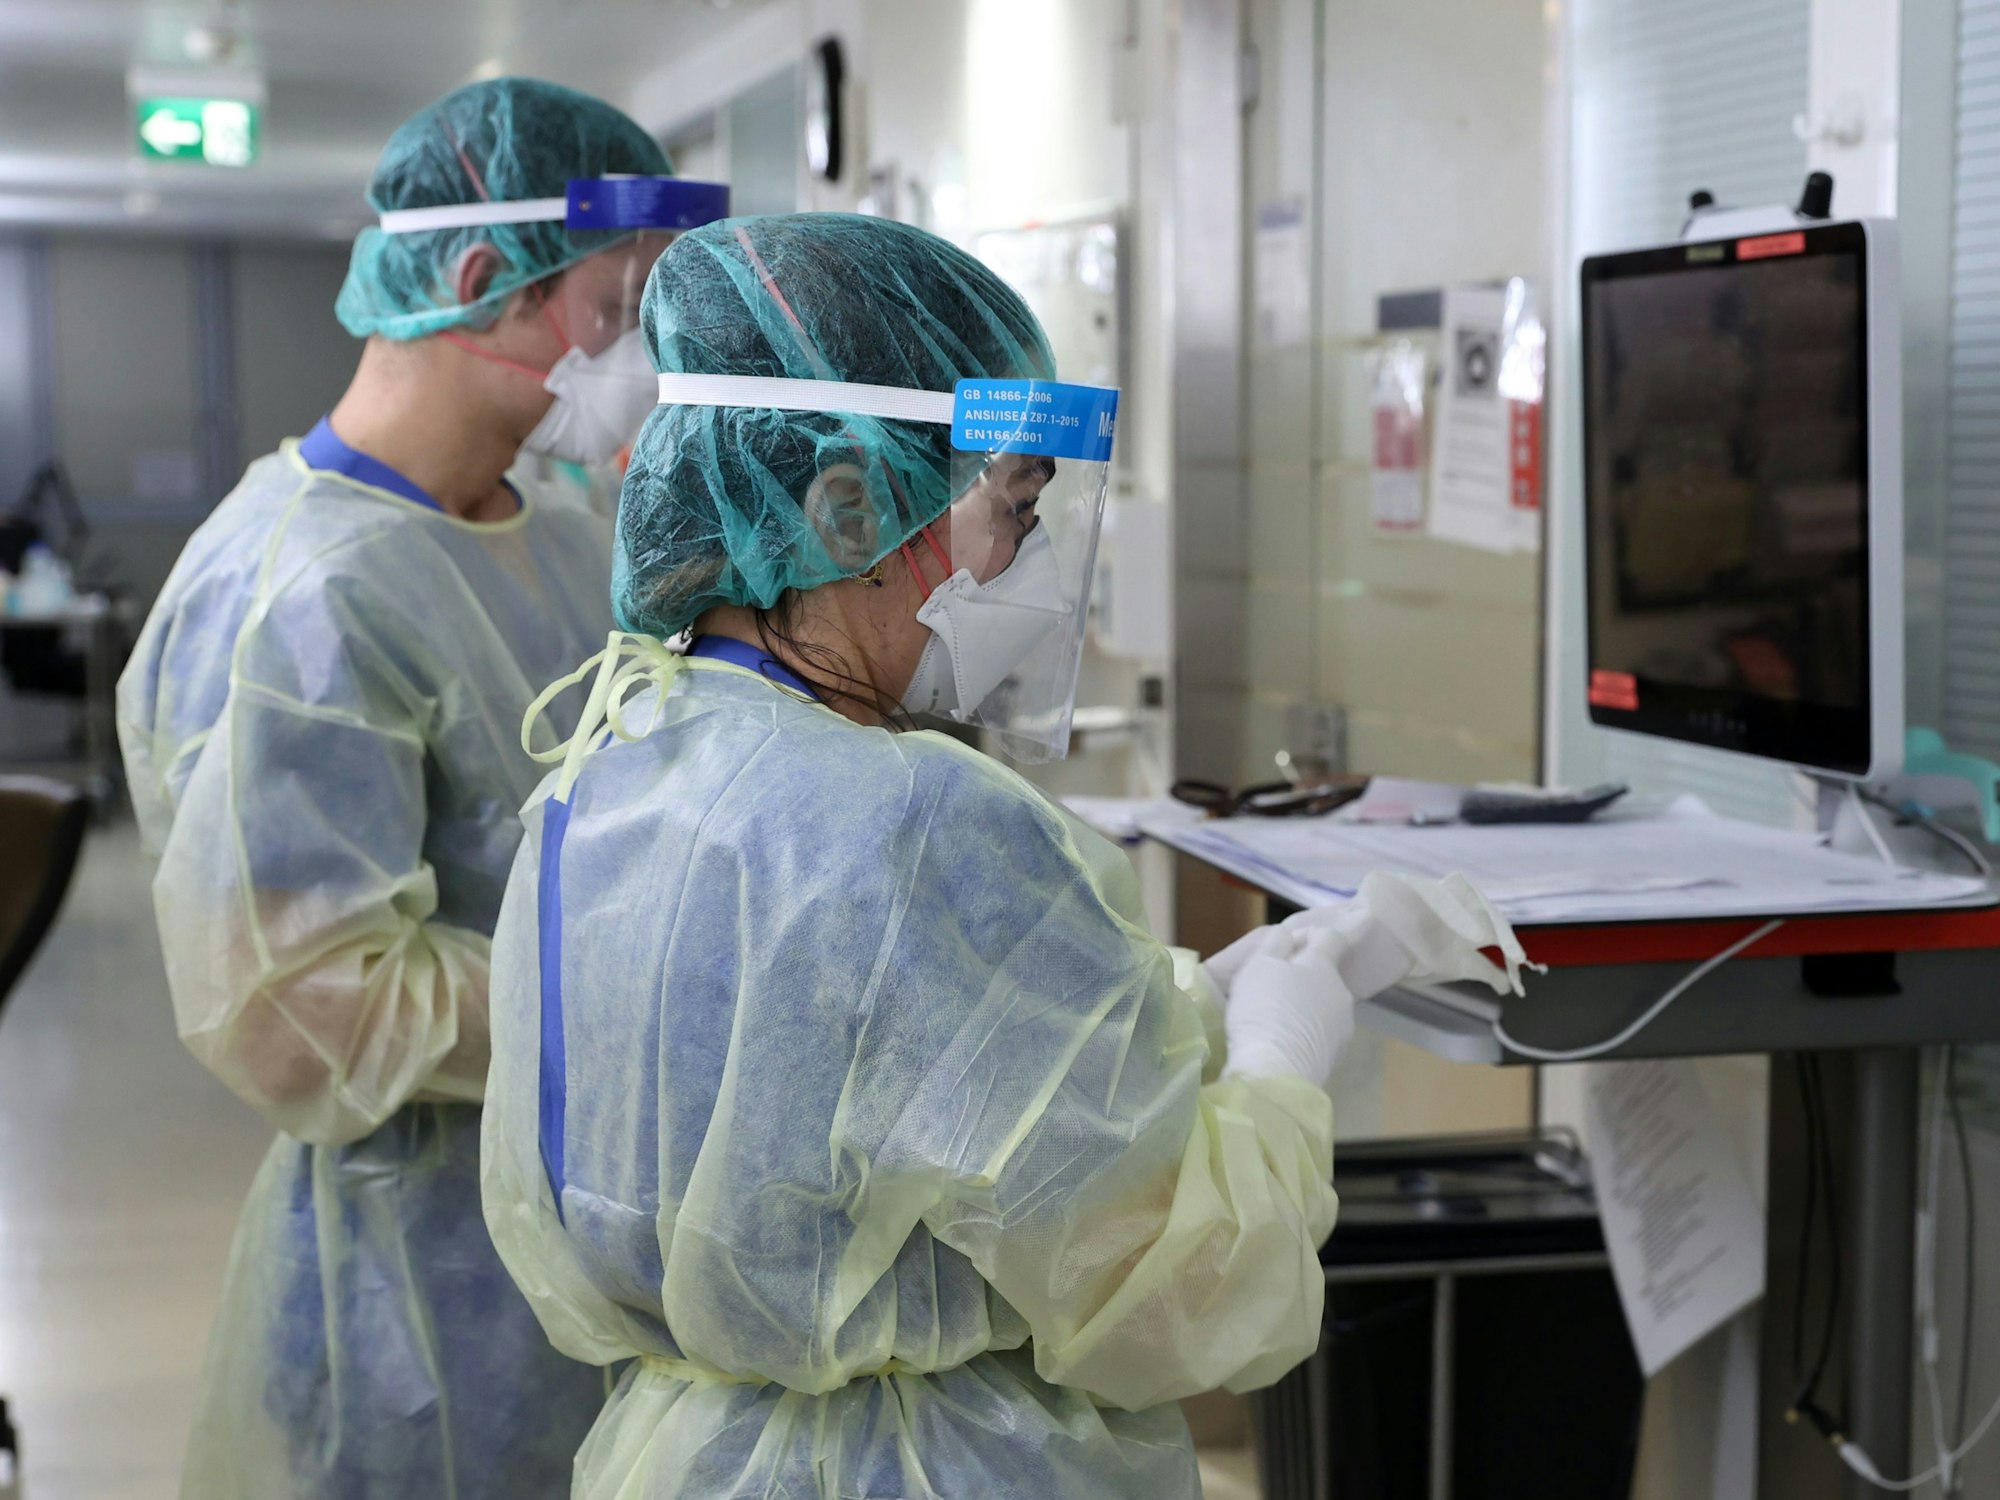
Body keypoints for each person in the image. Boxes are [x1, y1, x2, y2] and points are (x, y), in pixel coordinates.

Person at [478, 213, 1532, 1499]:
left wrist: (1175, 1006)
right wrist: (1281, 1049)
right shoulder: (907, 822)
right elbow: (1185, 1297)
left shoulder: (614, 757)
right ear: (846, 501)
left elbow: (835, 1103)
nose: (1030, 563)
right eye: (1010, 507)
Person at [116, 77, 727, 1500]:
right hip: (424, 1305)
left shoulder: (569, 537)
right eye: (615, 306)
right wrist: (644, 994)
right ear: (477, 281)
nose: (638, 352)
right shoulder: (296, 598)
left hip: (605, 1256)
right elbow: (296, 1010)